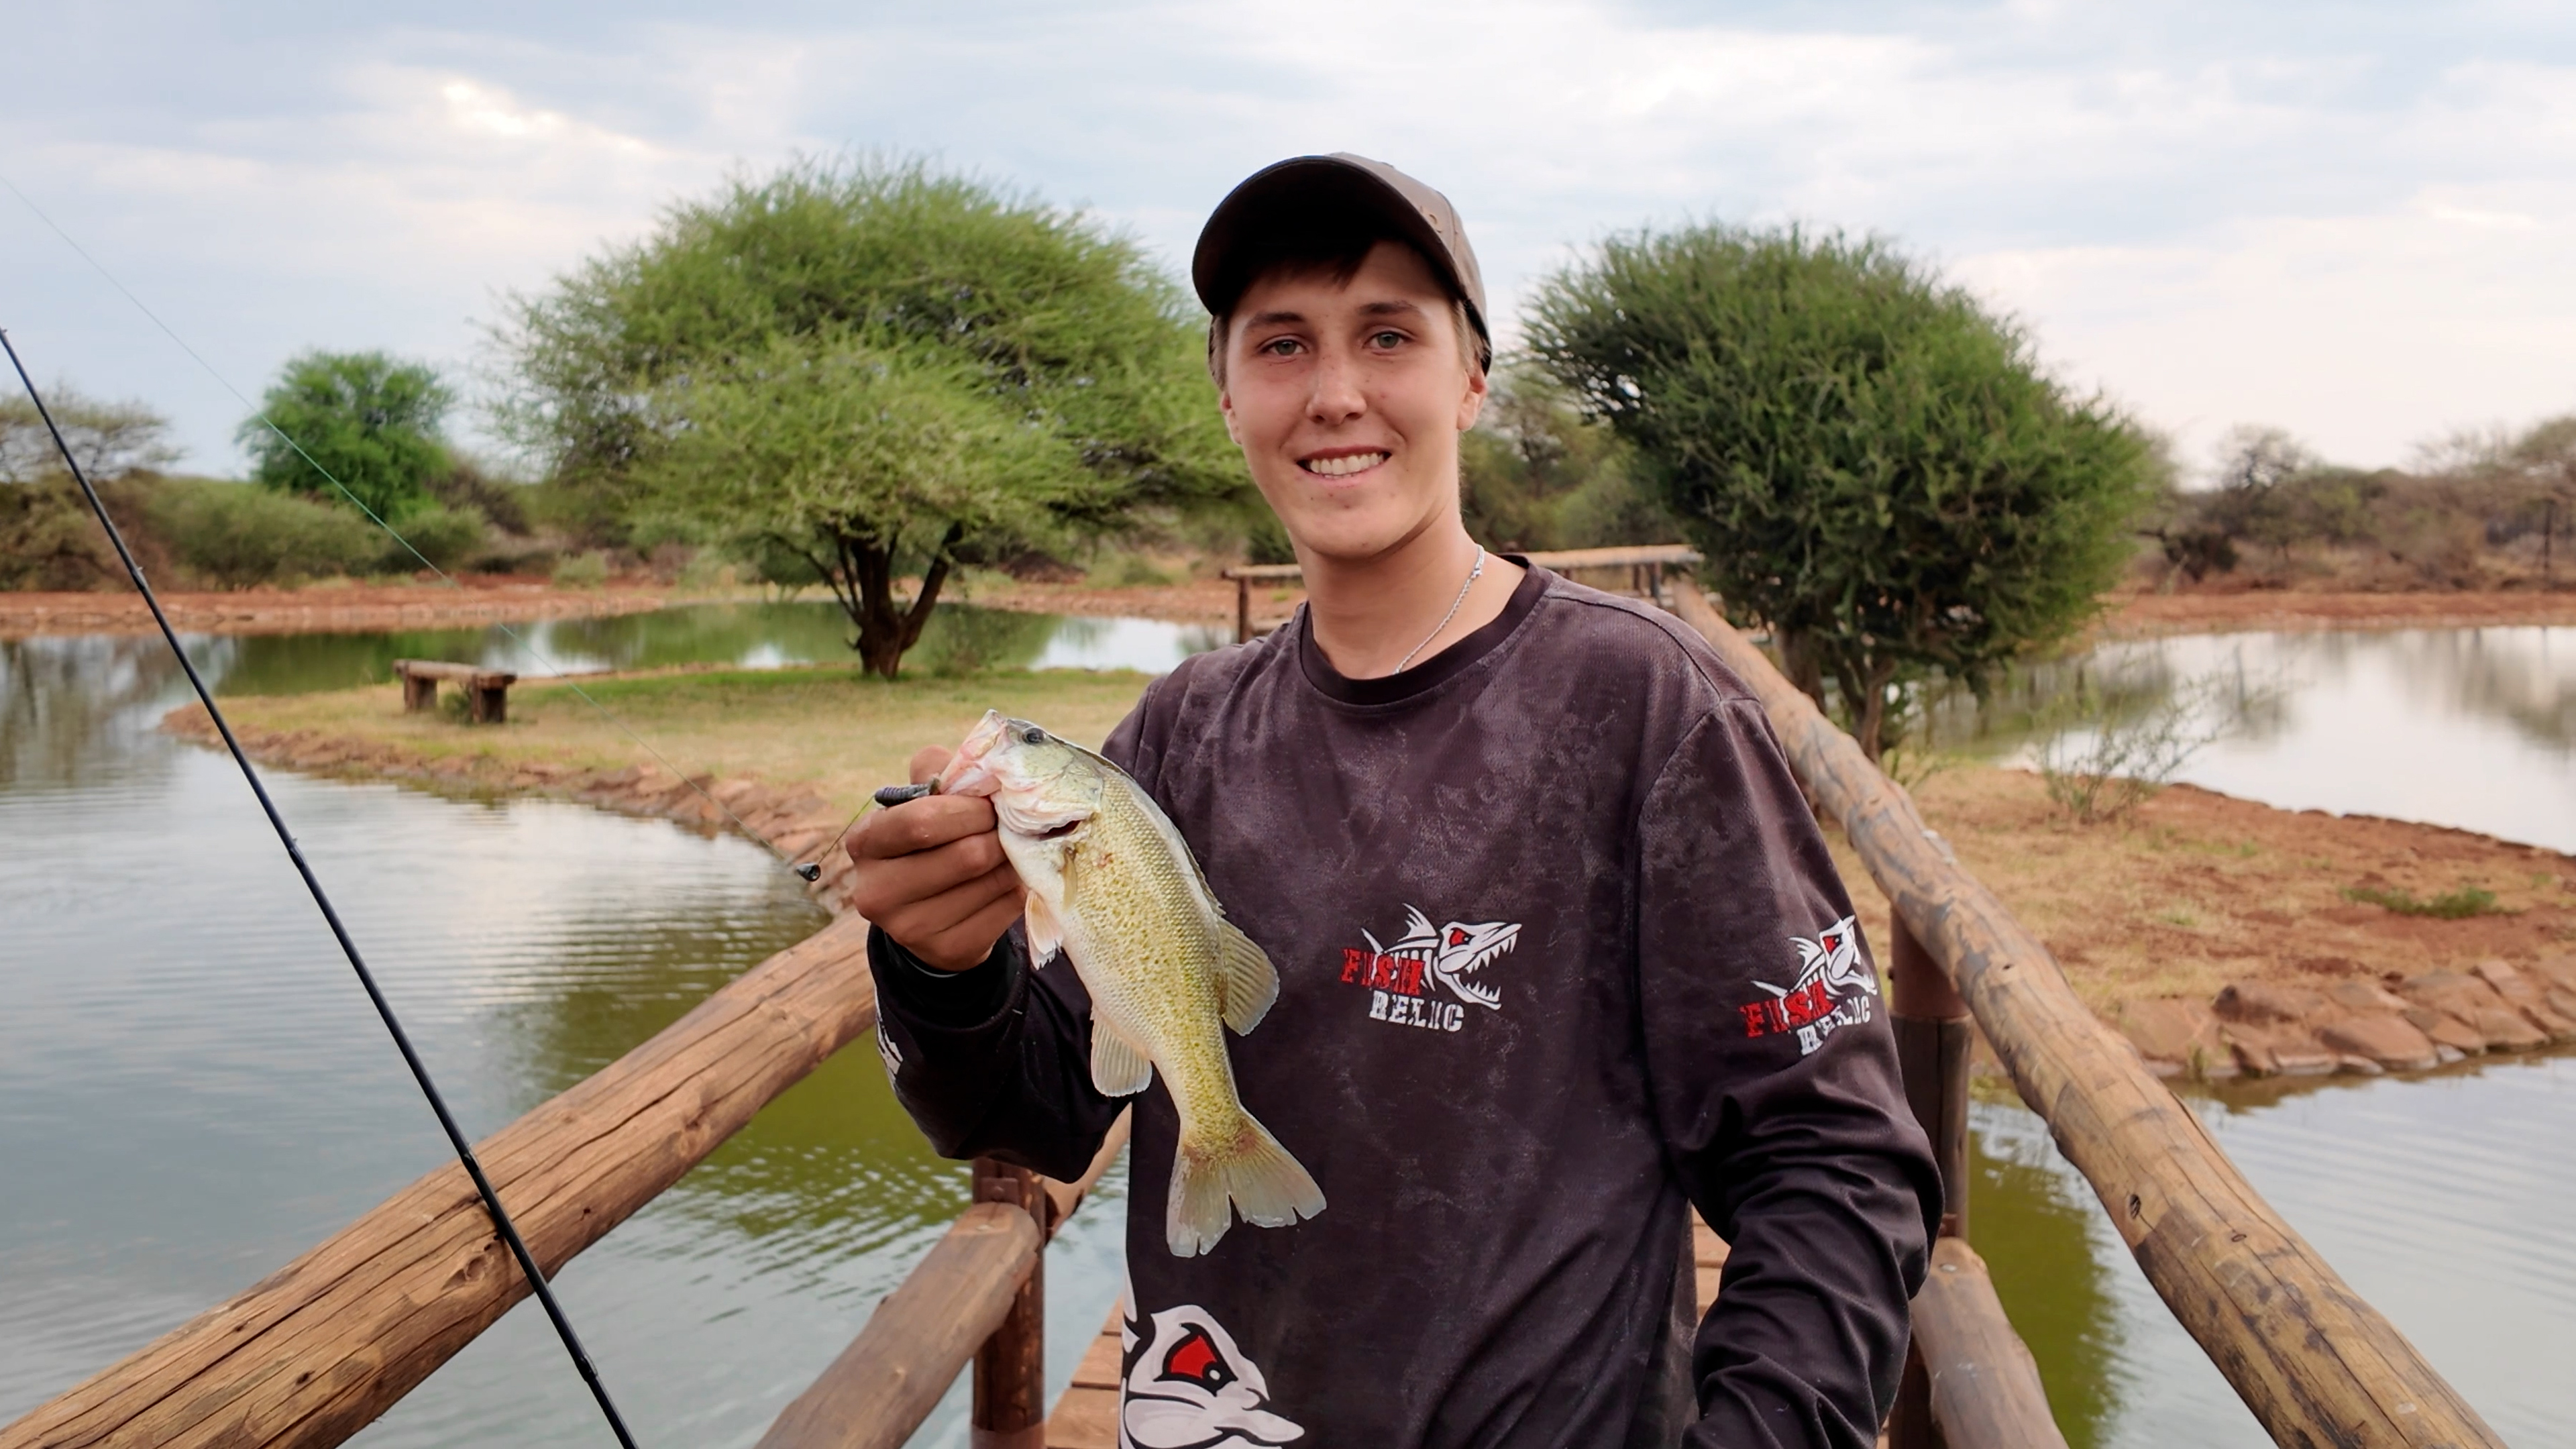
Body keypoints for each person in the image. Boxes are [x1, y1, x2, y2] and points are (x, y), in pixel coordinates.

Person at [844, 153, 1939, 1448]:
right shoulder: (1183, 731)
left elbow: (1834, 1167)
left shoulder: (1647, 704)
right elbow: (1028, 1115)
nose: (1336, 393)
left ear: (1472, 378)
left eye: (1388, 335)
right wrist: (944, 971)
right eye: (1282, 345)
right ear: (1227, 396)